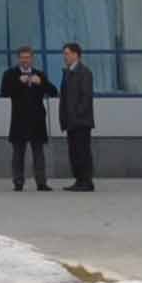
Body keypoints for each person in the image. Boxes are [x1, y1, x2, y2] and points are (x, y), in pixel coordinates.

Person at [0, 47, 55, 191]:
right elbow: (4, 92)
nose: (25, 60)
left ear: (32, 59)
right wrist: (19, 82)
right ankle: (18, 183)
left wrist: (41, 82)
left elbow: (54, 91)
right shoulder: (10, 74)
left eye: (28, 57)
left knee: (39, 153)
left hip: (37, 120)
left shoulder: (39, 74)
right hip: (19, 120)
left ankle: (41, 183)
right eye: (22, 57)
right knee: (18, 153)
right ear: (18, 59)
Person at [58, 41, 97, 190]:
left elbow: (86, 97)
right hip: (70, 122)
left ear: (76, 55)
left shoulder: (84, 72)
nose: (65, 57)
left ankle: (87, 181)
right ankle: (79, 180)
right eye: (64, 54)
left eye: (67, 54)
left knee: (82, 152)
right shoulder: (67, 72)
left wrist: (76, 114)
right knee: (74, 153)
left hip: (81, 121)